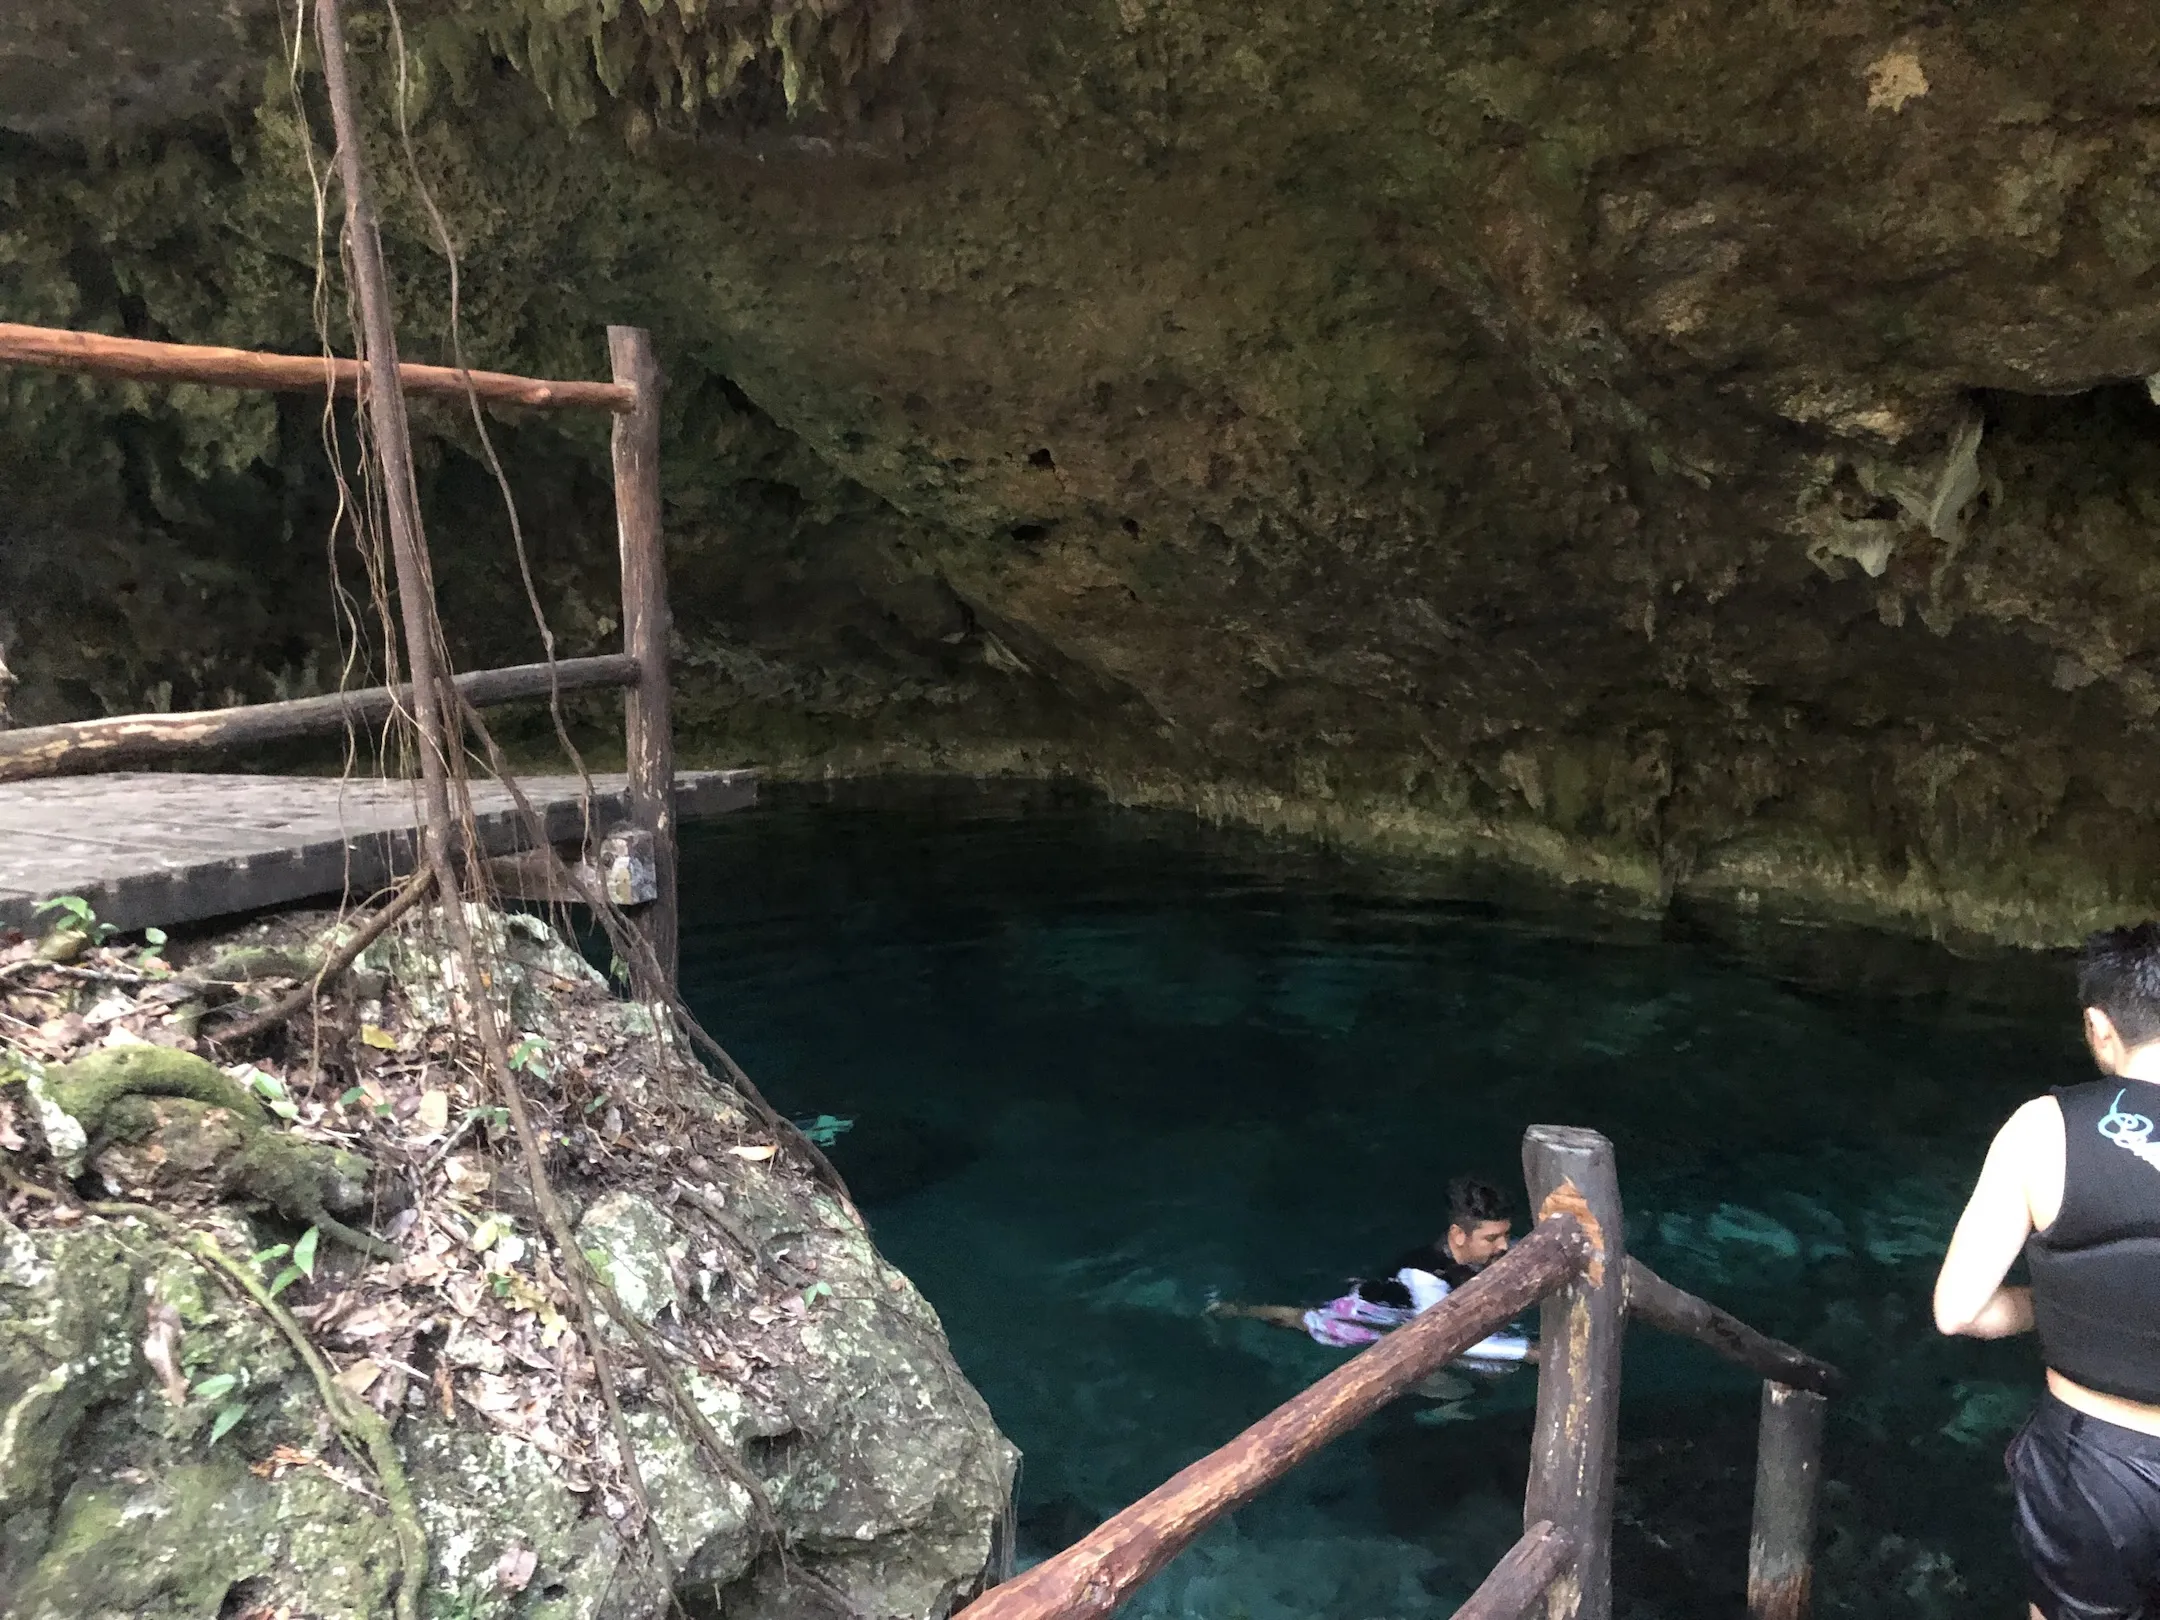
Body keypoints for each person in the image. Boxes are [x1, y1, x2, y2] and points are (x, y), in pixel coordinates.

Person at [1935, 923, 2160, 1620]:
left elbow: (1959, 1311)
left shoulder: (2043, 1128)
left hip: (2097, 1463)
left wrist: (2052, 1302)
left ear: (2100, 1027)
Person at [1209, 1175, 1537, 1364]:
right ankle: (1234, 1310)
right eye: (1492, 1238)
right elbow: (1454, 1339)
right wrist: (1530, 1351)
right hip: (1368, 1315)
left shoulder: (1475, 1254)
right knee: (1304, 1321)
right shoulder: (1424, 1279)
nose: (1504, 1246)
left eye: (1506, 1235)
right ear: (1457, 1236)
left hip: (1397, 1299)